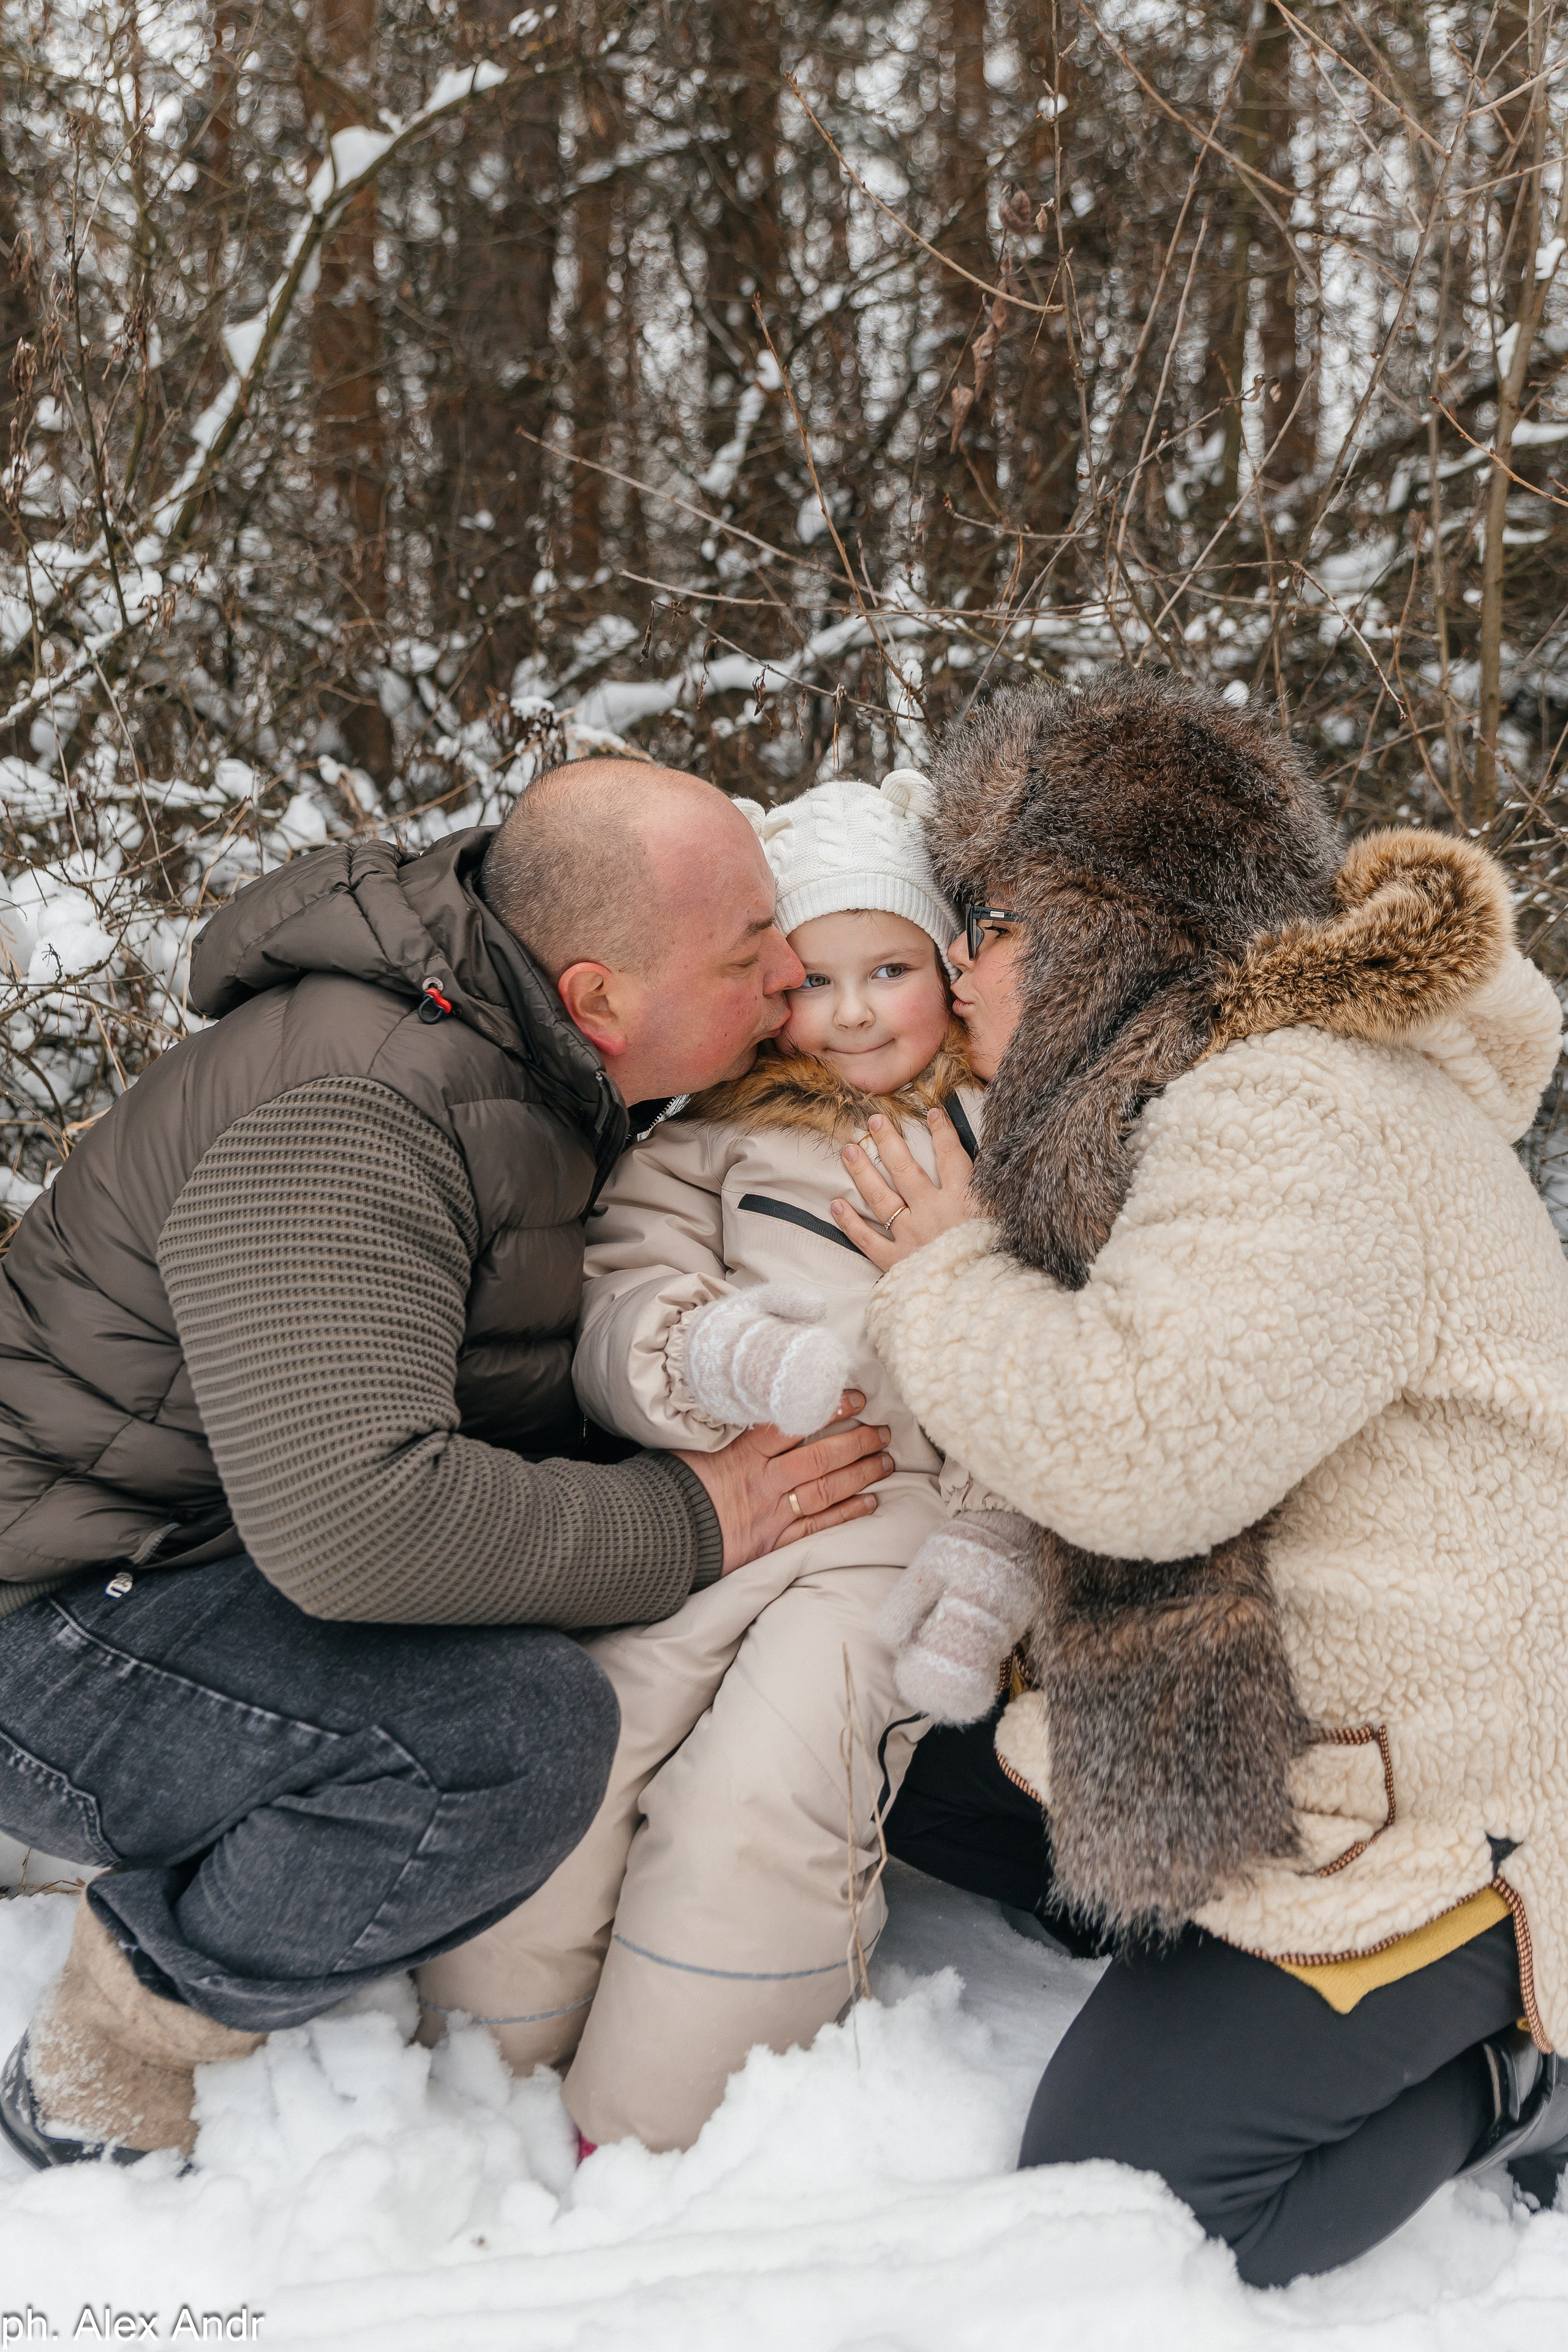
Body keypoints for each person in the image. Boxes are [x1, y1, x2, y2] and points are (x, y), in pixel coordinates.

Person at [0, 758, 891, 2169]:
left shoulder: (506, 1046)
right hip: (56, 1628)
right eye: (748, 954)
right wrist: (694, 1518)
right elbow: (361, 1527)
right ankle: (119, 2044)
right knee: (503, 1738)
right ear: (598, 994)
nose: (791, 976)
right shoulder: (354, 1113)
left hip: (196, 1546)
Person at [848, 671, 1568, 2285]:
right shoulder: (1224, 1091)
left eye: (987, 922)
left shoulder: (1286, 1111)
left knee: (1133, 2193)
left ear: (1096, 925)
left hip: (1464, 1794)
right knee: (898, 1756)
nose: (958, 967)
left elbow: (1143, 1456)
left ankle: (1517, 2078)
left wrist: (942, 1276)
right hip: (1323, 1710)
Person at [416, 769, 1020, 2152]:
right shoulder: (703, 1144)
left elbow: (1040, 1361)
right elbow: (617, 1302)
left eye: (889, 970)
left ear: (944, 968)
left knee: (770, 1780)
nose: (853, 1010)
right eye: (810, 979)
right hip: (721, 1495)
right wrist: (719, 1358)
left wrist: (992, 1559)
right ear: (761, 992)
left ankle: (657, 2115)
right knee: (601, 1735)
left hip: (895, 1518)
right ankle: (474, 2053)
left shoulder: (1005, 1147)